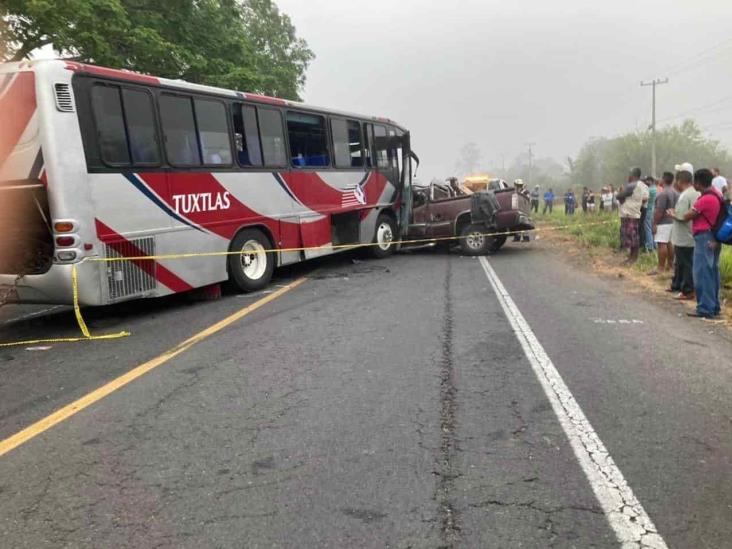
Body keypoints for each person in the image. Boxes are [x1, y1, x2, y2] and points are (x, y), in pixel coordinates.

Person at [683, 168, 723, 318]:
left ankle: (705, 308)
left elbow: (687, 215)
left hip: (704, 237)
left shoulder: (705, 199)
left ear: (698, 183)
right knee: (712, 272)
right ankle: (714, 306)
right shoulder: (717, 194)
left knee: (702, 273)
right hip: (714, 237)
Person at [667, 164, 698, 300]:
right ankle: (679, 286)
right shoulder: (694, 193)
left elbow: (683, 215)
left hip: (685, 236)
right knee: (681, 263)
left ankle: (687, 290)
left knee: (685, 264)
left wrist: (673, 214)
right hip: (688, 235)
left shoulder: (686, 195)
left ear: (680, 181)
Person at [650, 172, 678, 274]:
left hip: (663, 222)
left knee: (661, 244)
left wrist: (654, 223)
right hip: (672, 221)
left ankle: (660, 268)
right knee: (669, 243)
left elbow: (659, 211)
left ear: (663, 180)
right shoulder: (675, 192)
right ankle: (670, 265)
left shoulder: (663, 194)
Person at [616, 167, 646, 264]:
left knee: (631, 237)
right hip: (635, 213)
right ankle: (632, 257)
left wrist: (621, 192)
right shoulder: (642, 185)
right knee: (634, 237)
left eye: (629, 174)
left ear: (632, 175)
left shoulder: (632, 185)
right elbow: (644, 198)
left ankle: (633, 258)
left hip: (629, 214)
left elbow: (619, 196)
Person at [643, 176, 658, 252]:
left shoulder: (650, 190)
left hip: (649, 210)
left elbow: (644, 199)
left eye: (647, 181)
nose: (646, 182)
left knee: (648, 228)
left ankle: (649, 246)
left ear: (651, 181)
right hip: (654, 209)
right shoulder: (656, 189)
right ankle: (655, 245)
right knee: (653, 229)